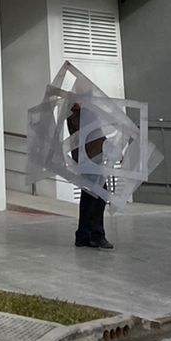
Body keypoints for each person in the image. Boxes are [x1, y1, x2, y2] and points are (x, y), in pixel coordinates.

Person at [67, 100, 113, 250]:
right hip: (88, 159)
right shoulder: (76, 114)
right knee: (99, 195)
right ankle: (96, 235)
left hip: (92, 158)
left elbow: (97, 132)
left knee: (89, 196)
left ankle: (83, 235)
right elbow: (88, 133)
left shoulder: (85, 112)